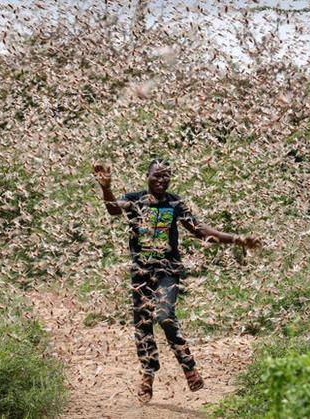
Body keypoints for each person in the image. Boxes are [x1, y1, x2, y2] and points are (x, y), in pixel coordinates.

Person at [93, 158, 260, 403]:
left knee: (164, 315)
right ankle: (147, 376)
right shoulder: (135, 199)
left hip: (167, 271)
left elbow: (201, 231)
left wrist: (237, 239)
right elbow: (113, 208)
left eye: (166, 176)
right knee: (143, 325)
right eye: (156, 175)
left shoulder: (175, 203)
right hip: (141, 273)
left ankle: (188, 367)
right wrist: (106, 187)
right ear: (147, 177)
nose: (161, 180)